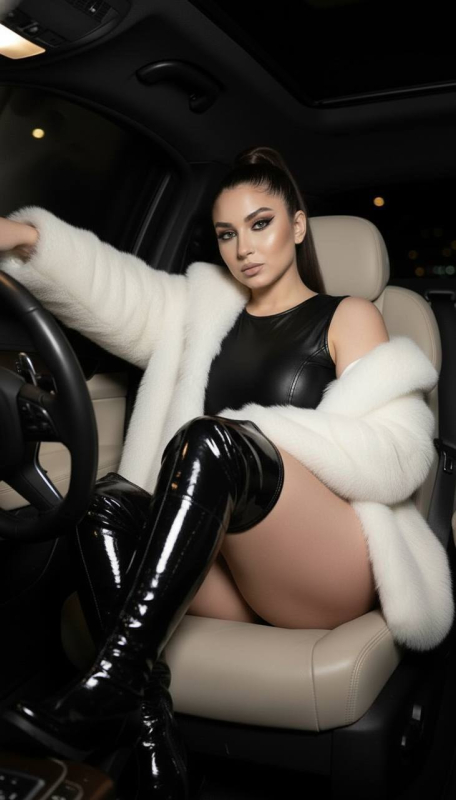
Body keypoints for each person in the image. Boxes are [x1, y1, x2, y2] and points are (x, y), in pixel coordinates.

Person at [0, 146, 449, 798]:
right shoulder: (200, 308)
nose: (244, 247)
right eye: (227, 233)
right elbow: (113, 288)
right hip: (223, 571)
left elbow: (399, 455)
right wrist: (23, 238)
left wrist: (255, 433)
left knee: (213, 440)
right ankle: (151, 734)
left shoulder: (350, 314)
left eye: (261, 224)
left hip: (322, 566)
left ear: (298, 225)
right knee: (104, 503)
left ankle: (111, 683)